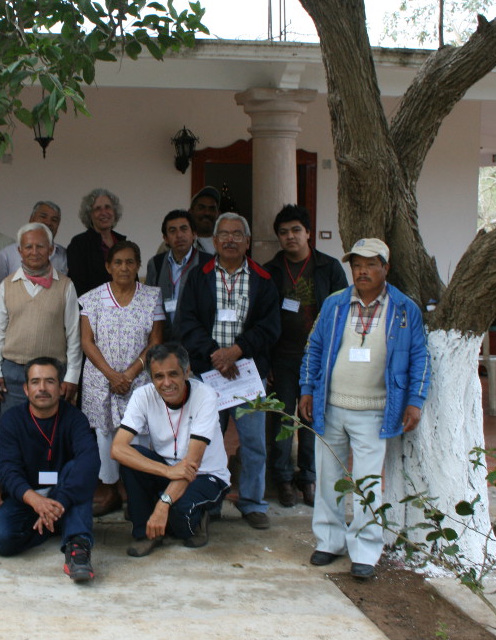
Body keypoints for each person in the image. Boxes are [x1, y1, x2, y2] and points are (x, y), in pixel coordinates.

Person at [299, 238, 430, 579]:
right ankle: (328, 541)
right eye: (357, 265)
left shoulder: (404, 309)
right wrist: (307, 389)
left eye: (371, 264)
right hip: (331, 407)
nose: (362, 271)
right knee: (327, 477)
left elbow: (420, 358)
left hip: (375, 410)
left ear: (386, 268)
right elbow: (314, 347)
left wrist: (415, 401)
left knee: (368, 482)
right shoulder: (335, 304)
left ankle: (366, 550)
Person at [176, 212, 280, 530]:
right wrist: (214, 355)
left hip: (247, 374)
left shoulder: (263, 279)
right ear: (215, 241)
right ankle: (210, 500)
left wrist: (237, 351)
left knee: (253, 442)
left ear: (247, 242)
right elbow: (186, 321)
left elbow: (270, 327)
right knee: (207, 440)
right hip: (208, 374)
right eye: (224, 234)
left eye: (238, 234)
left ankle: (252, 502)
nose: (231, 239)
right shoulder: (198, 276)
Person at [263, 204, 348, 508]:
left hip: (318, 359)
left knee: (312, 419)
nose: (290, 237)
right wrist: (267, 361)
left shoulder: (329, 267)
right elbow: (261, 317)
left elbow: (342, 314)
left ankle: (308, 478)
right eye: (283, 232)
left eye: (296, 230)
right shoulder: (270, 270)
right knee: (283, 419)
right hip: (282, 357)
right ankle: (283, 479)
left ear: (309, 233)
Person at [111, 343, 230, 557]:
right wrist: (166, 472)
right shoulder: (142, 395)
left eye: (173, 374)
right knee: (131, 460)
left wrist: (163, 505)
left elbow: (191, 464)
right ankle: (146, 534)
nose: (166, 383)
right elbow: (118, 448)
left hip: (205, 475)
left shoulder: (206, 396)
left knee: (180, 522)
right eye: (158, 376)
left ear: (187, 371)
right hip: (169, 470)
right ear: (150, 378)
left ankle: (198, 516)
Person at [0, 357, 98, 582]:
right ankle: (53, 524)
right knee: (0, 539)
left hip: (65, 494)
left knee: (78, 468)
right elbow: (8, 471)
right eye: (35, 382)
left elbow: (90, 462)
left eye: (49, 381)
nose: (42, 388)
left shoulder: (75, 418)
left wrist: (61, 502)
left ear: (60, 387)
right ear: (26, 389)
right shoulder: (11, 421)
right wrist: (36, 502)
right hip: (28, 496)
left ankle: (77, 548)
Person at [80, 240, 165, 516]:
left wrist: (128, 375)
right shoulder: (91, 298)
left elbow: (155, 341)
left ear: (139, 265)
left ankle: (137, 495)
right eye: (118, 262)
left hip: (137, 381)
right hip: (101, 381)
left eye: (130, 262)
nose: (124, 267)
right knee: (105, 438)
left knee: (138, 437)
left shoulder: (152, 296)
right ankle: (112, 492)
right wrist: (112, 376)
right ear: (108, 266)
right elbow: (87, 341)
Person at [0, 223, 82, 414]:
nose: (34, 252)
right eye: (28, 247)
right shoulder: (7, 285)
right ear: (19, 251)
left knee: (52, 433)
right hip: (13, 374)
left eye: (40, 246)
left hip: (53, 374)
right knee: (14, 431)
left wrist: (72, 376)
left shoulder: (66, 286)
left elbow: (73, 335)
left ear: (50, 250)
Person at [145, 209, 212, 331]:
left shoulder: (208, 263)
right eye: (172, 231)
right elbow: (148, 305)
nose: (179, 235)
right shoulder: (156, 264)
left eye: (184, 229)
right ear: (165, 238)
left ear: (194, 234)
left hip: (197, 340)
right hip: (163, 339)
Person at [0, 200, 68, 289]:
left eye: (54, 220)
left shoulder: (64, 255)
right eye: (43, 216)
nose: (48, 222)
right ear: (31, 219)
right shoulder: (6, 255)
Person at [66, 188, 126, 296]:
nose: (104, 213)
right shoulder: (79, 244)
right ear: (90, 215)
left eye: (108, 207)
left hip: (125, 308)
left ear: (114, 212)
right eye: (97, 209)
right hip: (94, 309)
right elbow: (78, 286)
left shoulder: (123, 243)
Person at [189, 187, 221, 254]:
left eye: (212, 209)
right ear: (190, 212)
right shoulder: (175, 244)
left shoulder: (226, 246)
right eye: (201, 208)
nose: (207, 213)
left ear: (218, 214)